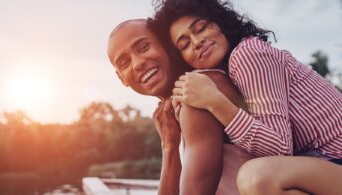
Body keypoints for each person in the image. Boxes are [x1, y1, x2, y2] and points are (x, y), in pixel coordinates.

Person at [149, 0, 342, 194]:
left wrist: (215, 101)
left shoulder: (247, 53)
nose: (197, 42)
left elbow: (280, 150)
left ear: (219, 23)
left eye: (201, 28)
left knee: (254, 177)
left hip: (336, 155)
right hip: (325, 165)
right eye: (184, 44)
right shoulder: (228, 77)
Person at [107, 19, 255, 195]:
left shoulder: (197, 93)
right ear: (121, 78)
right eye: (125, 63)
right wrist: (169, 146)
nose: (138, 63)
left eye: (144, 47)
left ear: (168, 44)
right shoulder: (175, 108)